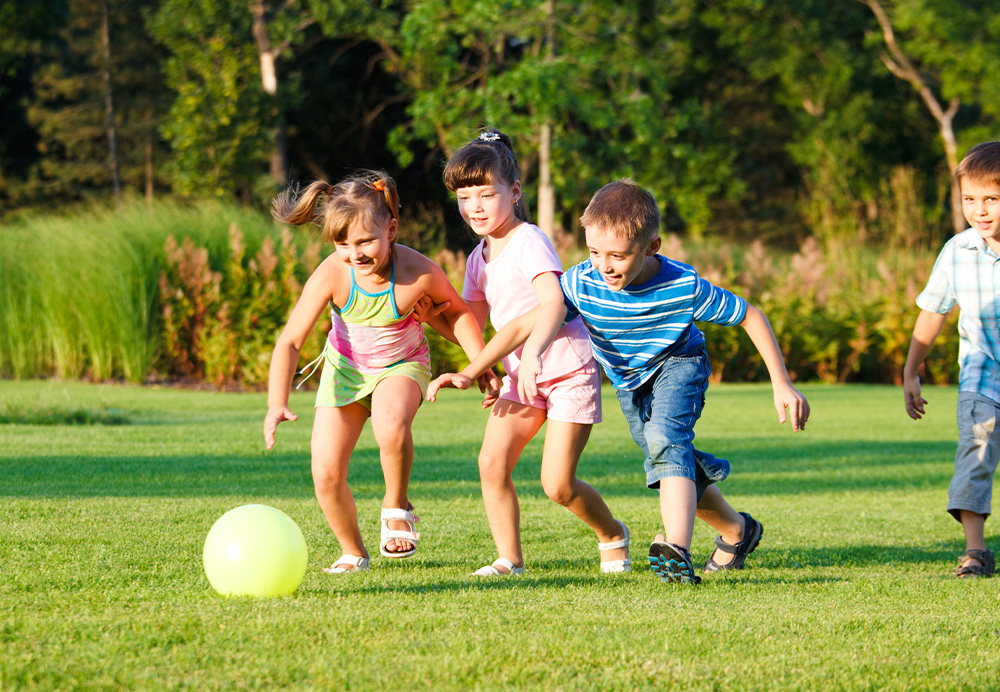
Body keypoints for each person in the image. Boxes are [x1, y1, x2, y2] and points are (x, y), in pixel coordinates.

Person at [430, 178, 810, 584]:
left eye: (618, 256)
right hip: (630, 382)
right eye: (594, 252)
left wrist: (781, 383)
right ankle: (737, 530)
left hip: (679, 364)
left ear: (652, 247)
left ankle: (676, 551)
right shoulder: (584, 281)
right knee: (670, 459)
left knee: (666, 440)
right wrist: (473, 369)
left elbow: (750, 315)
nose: (605, 266)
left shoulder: (683, 286)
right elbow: (527, 322)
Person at [263, 171, 493, 574]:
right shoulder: (334, 273)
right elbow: (290, 341)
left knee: (390, 425)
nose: (356, 254)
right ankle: (353, 551)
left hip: (402, 366)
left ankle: (395, 503)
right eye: (343, 244)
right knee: (326, 473)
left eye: (366, 241)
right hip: (345, 373)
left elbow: (457, 314)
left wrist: (481, 365)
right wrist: (276, 402)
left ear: (391, 228)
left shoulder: (417, 271)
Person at [427, 129, 630, 577]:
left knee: (557, 485)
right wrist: (426, 316)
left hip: (566, 369)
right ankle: (509, 559)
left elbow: (553, 303)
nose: (475, 207)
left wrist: (530, 353)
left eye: (486, 194)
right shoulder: (478, 257)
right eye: (464, 197)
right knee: (491, 461)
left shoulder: (529, 240)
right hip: (523, 375)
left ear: (514, 192)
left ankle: (612, 533)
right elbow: (471, 327)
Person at [904, 141, 1000, 579]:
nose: (979, 210)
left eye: (992, 199)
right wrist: (911, 371)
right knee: (975, 452)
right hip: (982, 376)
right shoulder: (957, 250)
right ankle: (975, 551)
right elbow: (933, 311)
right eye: (970, 199)